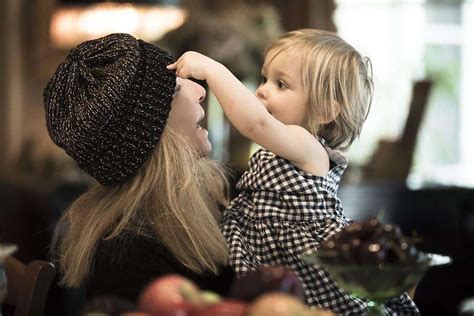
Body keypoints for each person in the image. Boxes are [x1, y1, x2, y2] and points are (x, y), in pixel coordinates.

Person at [168, 29, 419, 314]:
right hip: (270, 261)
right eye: (264, 79)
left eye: (281, 84)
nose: (262, 90)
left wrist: (214, 71)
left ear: (325, 110)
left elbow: (256, 124)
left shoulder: (309, 147)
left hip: (304, 266)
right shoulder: (285, 148)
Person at [44, 33, 234, 303]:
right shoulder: (131, 258)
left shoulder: (221, 189)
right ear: (151, 135)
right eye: (176, 89)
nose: (200, 90)